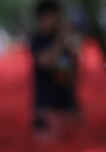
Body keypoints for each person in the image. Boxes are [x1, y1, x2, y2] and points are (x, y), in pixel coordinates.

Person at [30, 1, 81, 141]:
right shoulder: (38, 40)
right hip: (46, 108)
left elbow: (74, 67)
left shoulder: (65, 40)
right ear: (42, 18)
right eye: (50, 16)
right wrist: (61, 39)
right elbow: (45, 62)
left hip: (66, 105)